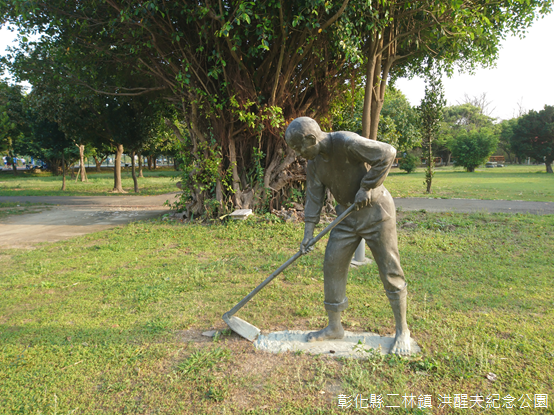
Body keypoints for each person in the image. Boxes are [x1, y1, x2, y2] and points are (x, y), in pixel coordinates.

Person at [285, 116, 412, 355]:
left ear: (311, 139)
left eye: (300, 148)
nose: (299, 154)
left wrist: (367, 187)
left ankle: (402, 330)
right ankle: (334, 327)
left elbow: (387, 153)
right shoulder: (314, 164)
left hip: (377, 213)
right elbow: (313, 198)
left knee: (390, 269)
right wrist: (308, 234)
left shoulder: (346, 142)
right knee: (332, 263)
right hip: (346, 216)